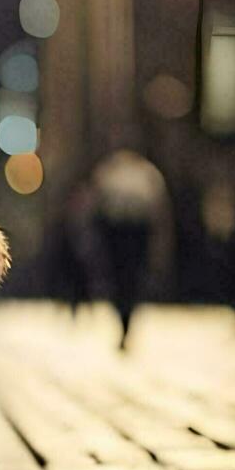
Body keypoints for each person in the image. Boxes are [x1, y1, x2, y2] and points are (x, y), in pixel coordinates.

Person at [62, 150, 173, 350]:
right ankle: (122, 320)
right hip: (116, 236)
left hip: (136, 235)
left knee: (131, 284)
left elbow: (158, 213)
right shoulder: (109, 172)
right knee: (118, 283)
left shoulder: (146, 173)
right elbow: (94, 208)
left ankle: (126, 323)